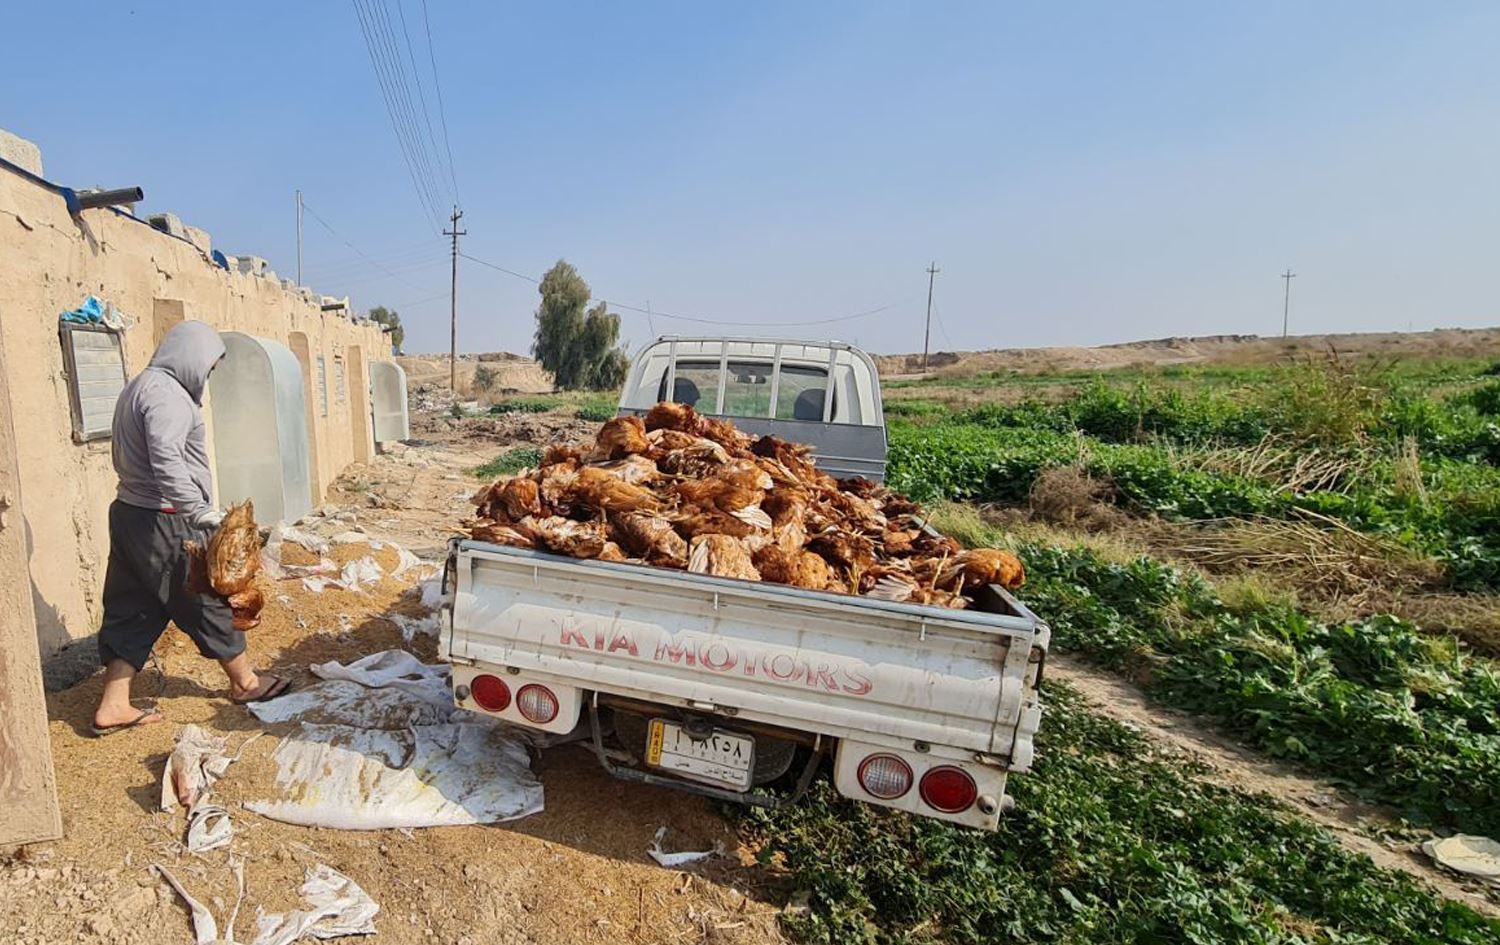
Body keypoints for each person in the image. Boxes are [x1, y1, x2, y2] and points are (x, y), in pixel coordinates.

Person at [92, 320, 290, 736]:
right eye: (209, 367)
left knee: (133, 606)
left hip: (130, 513)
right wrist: (197, 510)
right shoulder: (167, 395)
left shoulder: (140, 386)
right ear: (192, 357)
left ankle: (114, 704)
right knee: (203, 598)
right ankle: (246, 683)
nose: (207, 375)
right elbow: (166, 457)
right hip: (164, 520)